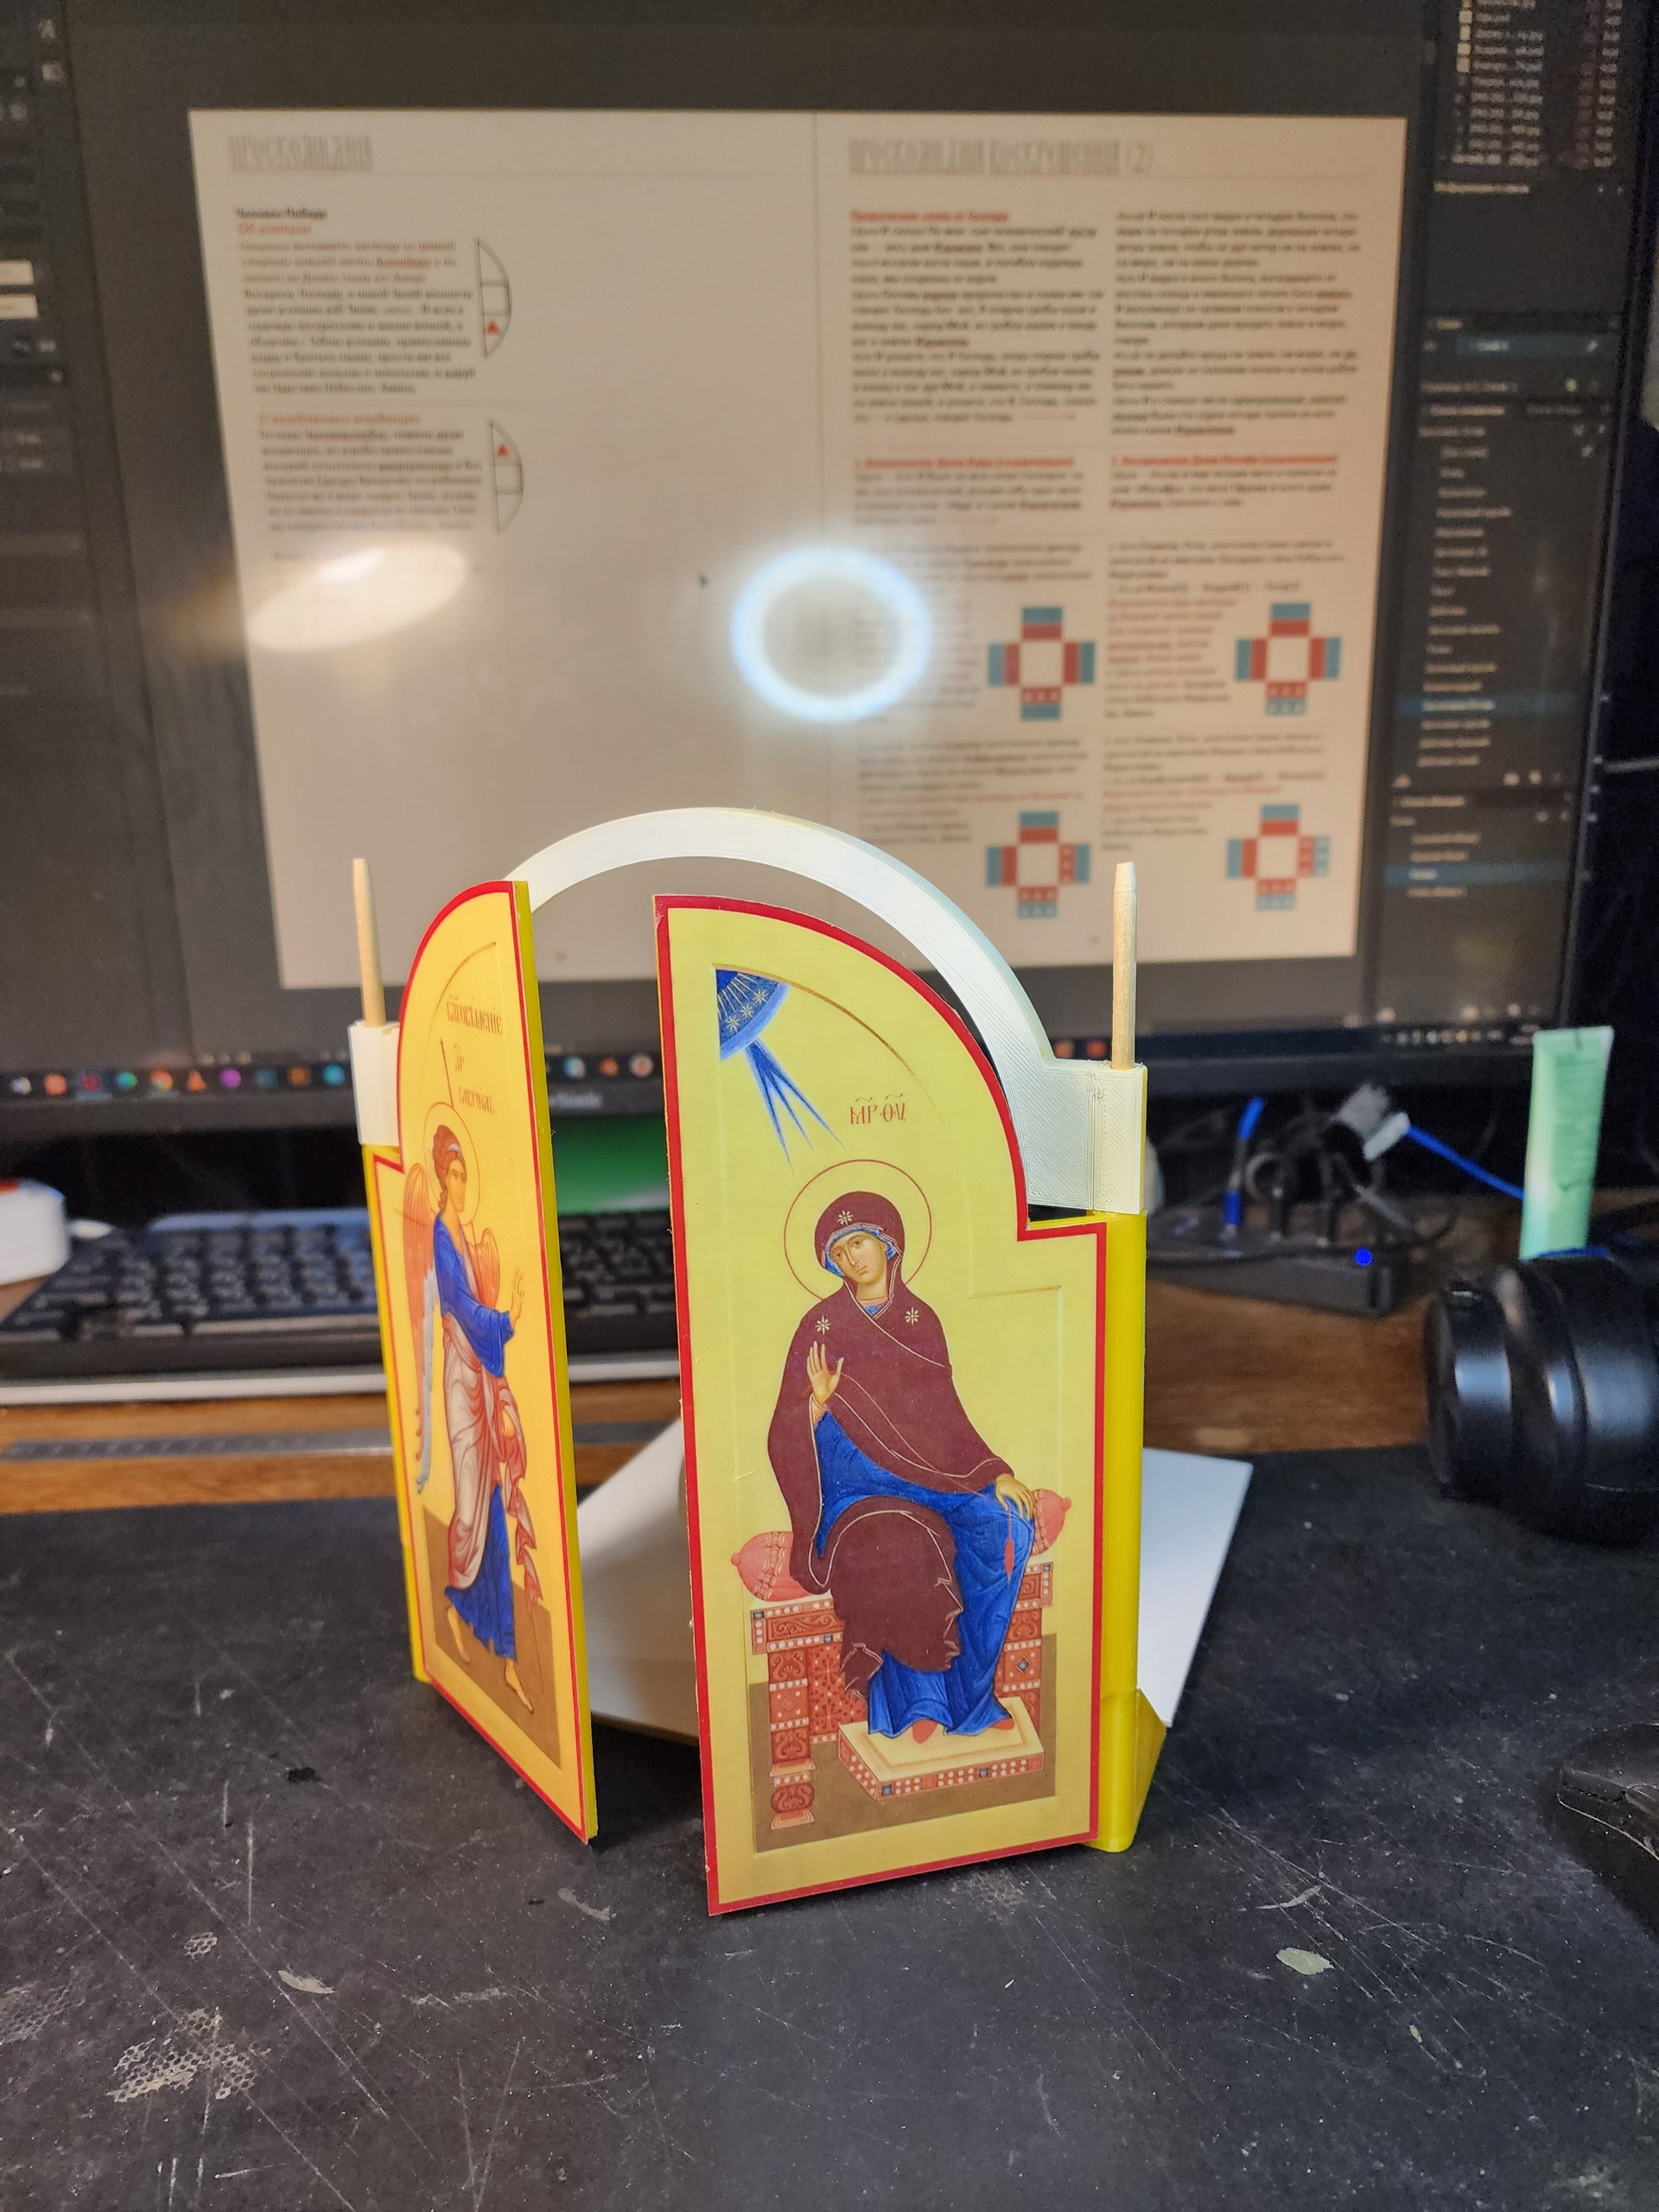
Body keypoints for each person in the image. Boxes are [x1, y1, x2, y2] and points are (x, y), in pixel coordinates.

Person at [765, 1190, 1035, 1744]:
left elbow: (946, 1415)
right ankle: (916, 1708)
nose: (852, 1259)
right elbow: (781, 1432)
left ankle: (971, 1700)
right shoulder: (820, 1325)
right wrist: (816, 1405)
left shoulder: (920, 1320)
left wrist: (995, 1472)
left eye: (860, 1243)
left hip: (928, 1476)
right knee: (901, 1546)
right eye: (839, 1253)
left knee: (1006, 1522)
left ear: (889, 1244)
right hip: (856, 1488)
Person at [429, 1123, 534, 1713]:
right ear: (442, 1177)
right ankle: (457, 1601)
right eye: (455, 1174)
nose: (462, 1184)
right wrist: (507, 1318)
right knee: (471, 1504)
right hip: (462, 1383)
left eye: (466, 1174)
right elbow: (464, 1310)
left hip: (481, 1381)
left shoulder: (465, 1237)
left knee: (494, 1501)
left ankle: (507, 1652)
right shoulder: (442, 1237)